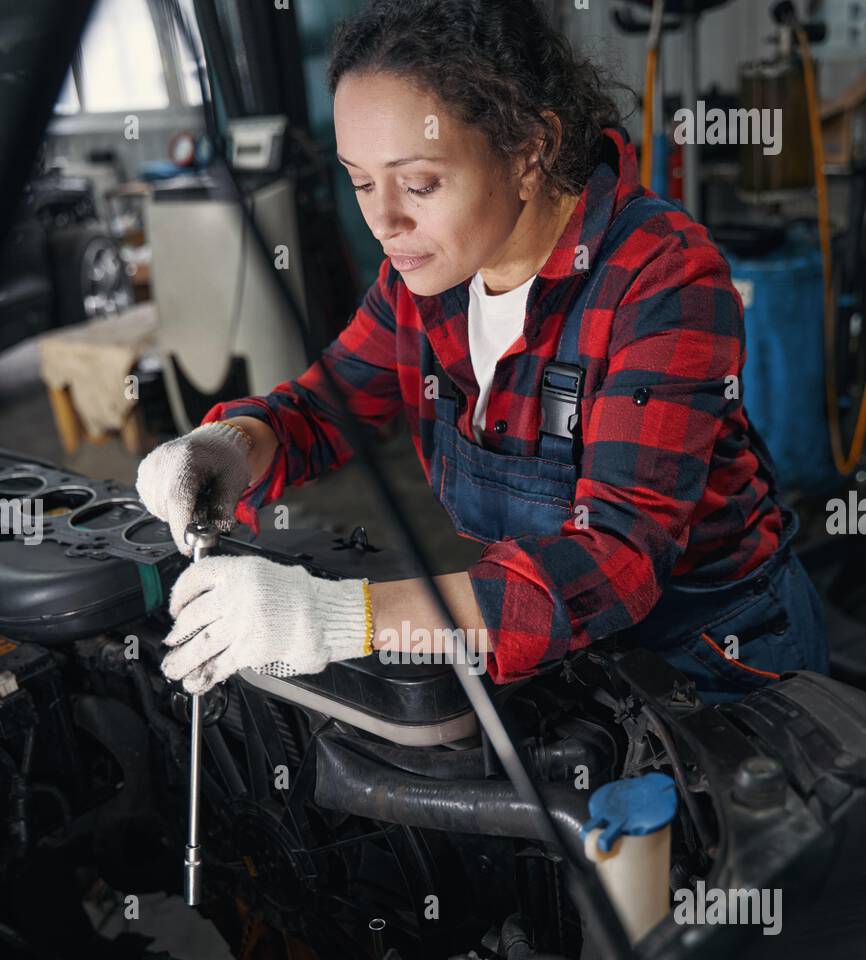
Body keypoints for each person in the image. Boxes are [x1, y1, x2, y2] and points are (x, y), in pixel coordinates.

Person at [136, 0, 830, 705]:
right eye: (362, 181)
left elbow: (614, 558)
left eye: (420, 183)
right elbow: (323, 407)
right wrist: (229, 445)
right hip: (558, 651)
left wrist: (345, 617)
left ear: (530, 150)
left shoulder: (664, 281)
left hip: (714, 660)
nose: (383, 222)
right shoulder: (427, 277)